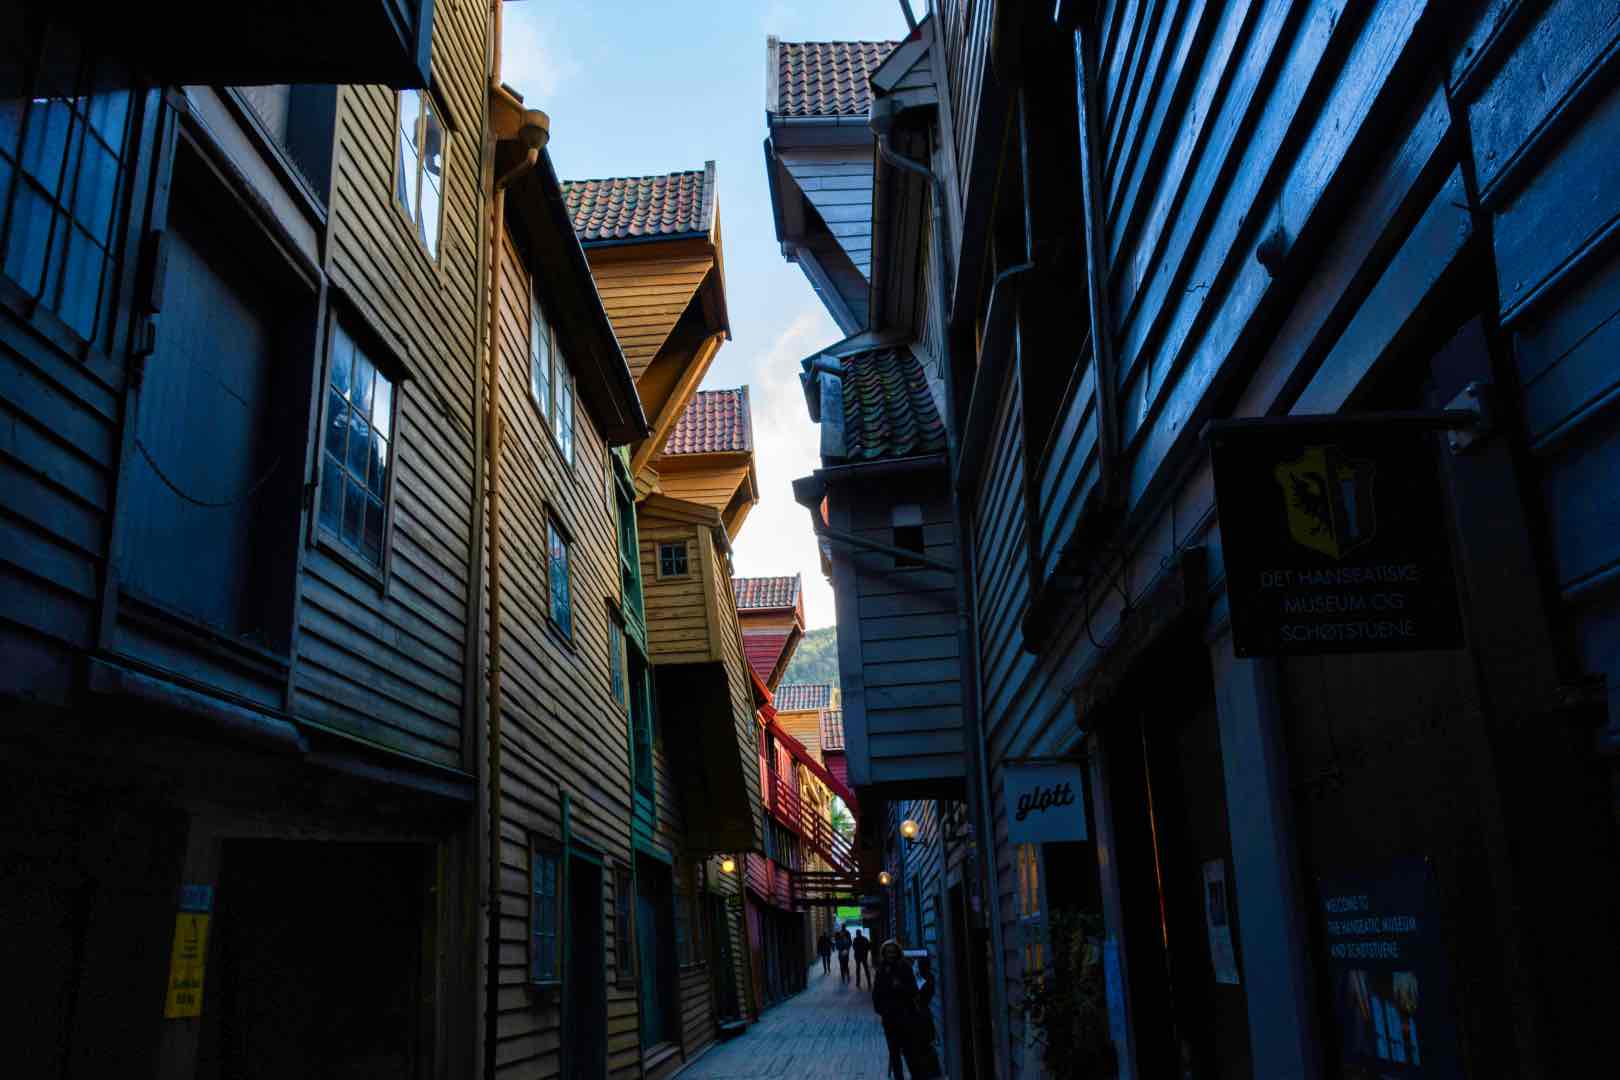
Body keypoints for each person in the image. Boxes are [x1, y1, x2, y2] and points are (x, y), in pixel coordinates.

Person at [871, 940, 941, 1079]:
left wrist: (900, 987)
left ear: (898, 952)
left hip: (906, 1017)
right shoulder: (881, 970)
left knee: (909, 1051)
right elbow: (876, 993)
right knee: (894, 1052)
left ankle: (916, 1076)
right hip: (889, 1018)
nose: (891, 954)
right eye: (888, 952)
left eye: (893, 951)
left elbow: (914, 991)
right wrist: (881, 1010)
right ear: (884, 953)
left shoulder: (905, 967)